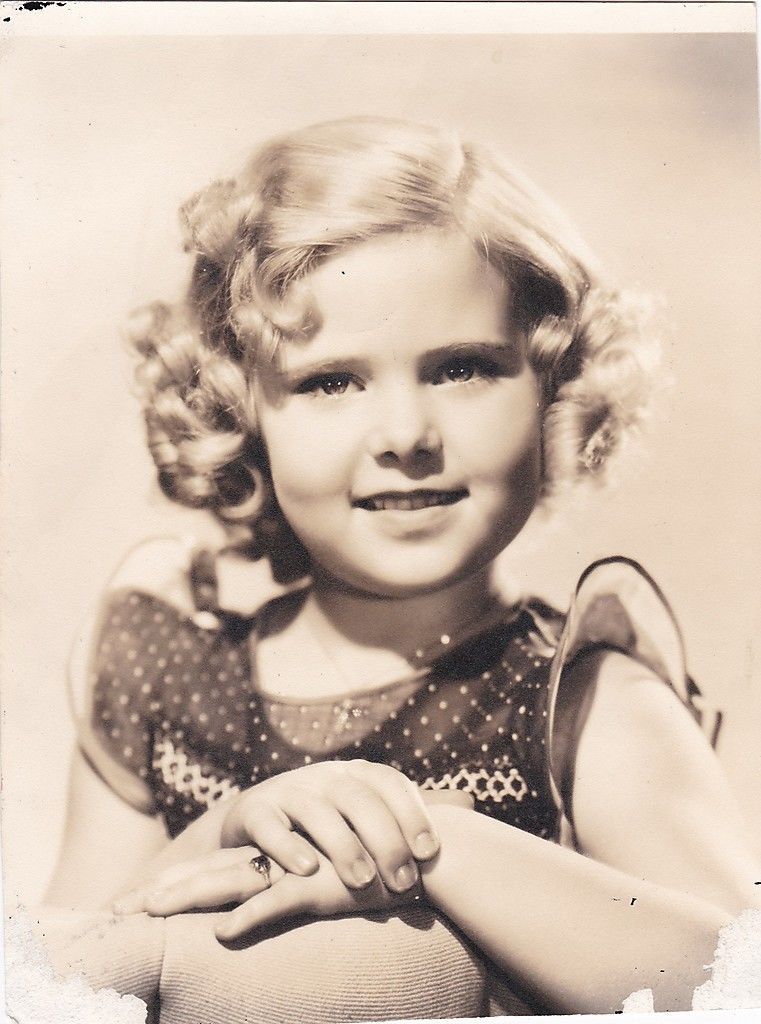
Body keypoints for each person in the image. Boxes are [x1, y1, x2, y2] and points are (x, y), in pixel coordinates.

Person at [43, 117, 760, 1019]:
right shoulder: (164, 679)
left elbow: (739, 985)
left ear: (553, 387)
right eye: (330, 382)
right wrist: (223, 834)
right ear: (239, 413)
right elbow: (49, 990)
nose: (406, 436)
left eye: (461, 369)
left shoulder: (580, 703)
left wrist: (439, 850)